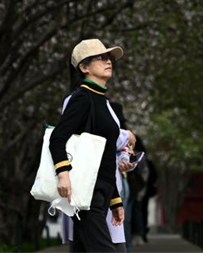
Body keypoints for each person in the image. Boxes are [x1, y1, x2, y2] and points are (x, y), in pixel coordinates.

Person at [50, 39, 128, 253]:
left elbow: (106, 155)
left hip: (102, 191)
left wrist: (115, 200)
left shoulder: (102, 101)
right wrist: (63, 174)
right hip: (86, 193)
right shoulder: (82, 98)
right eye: (101, 57)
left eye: (109, 58)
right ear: (84, 67)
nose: (108, 61)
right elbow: (57, 138)